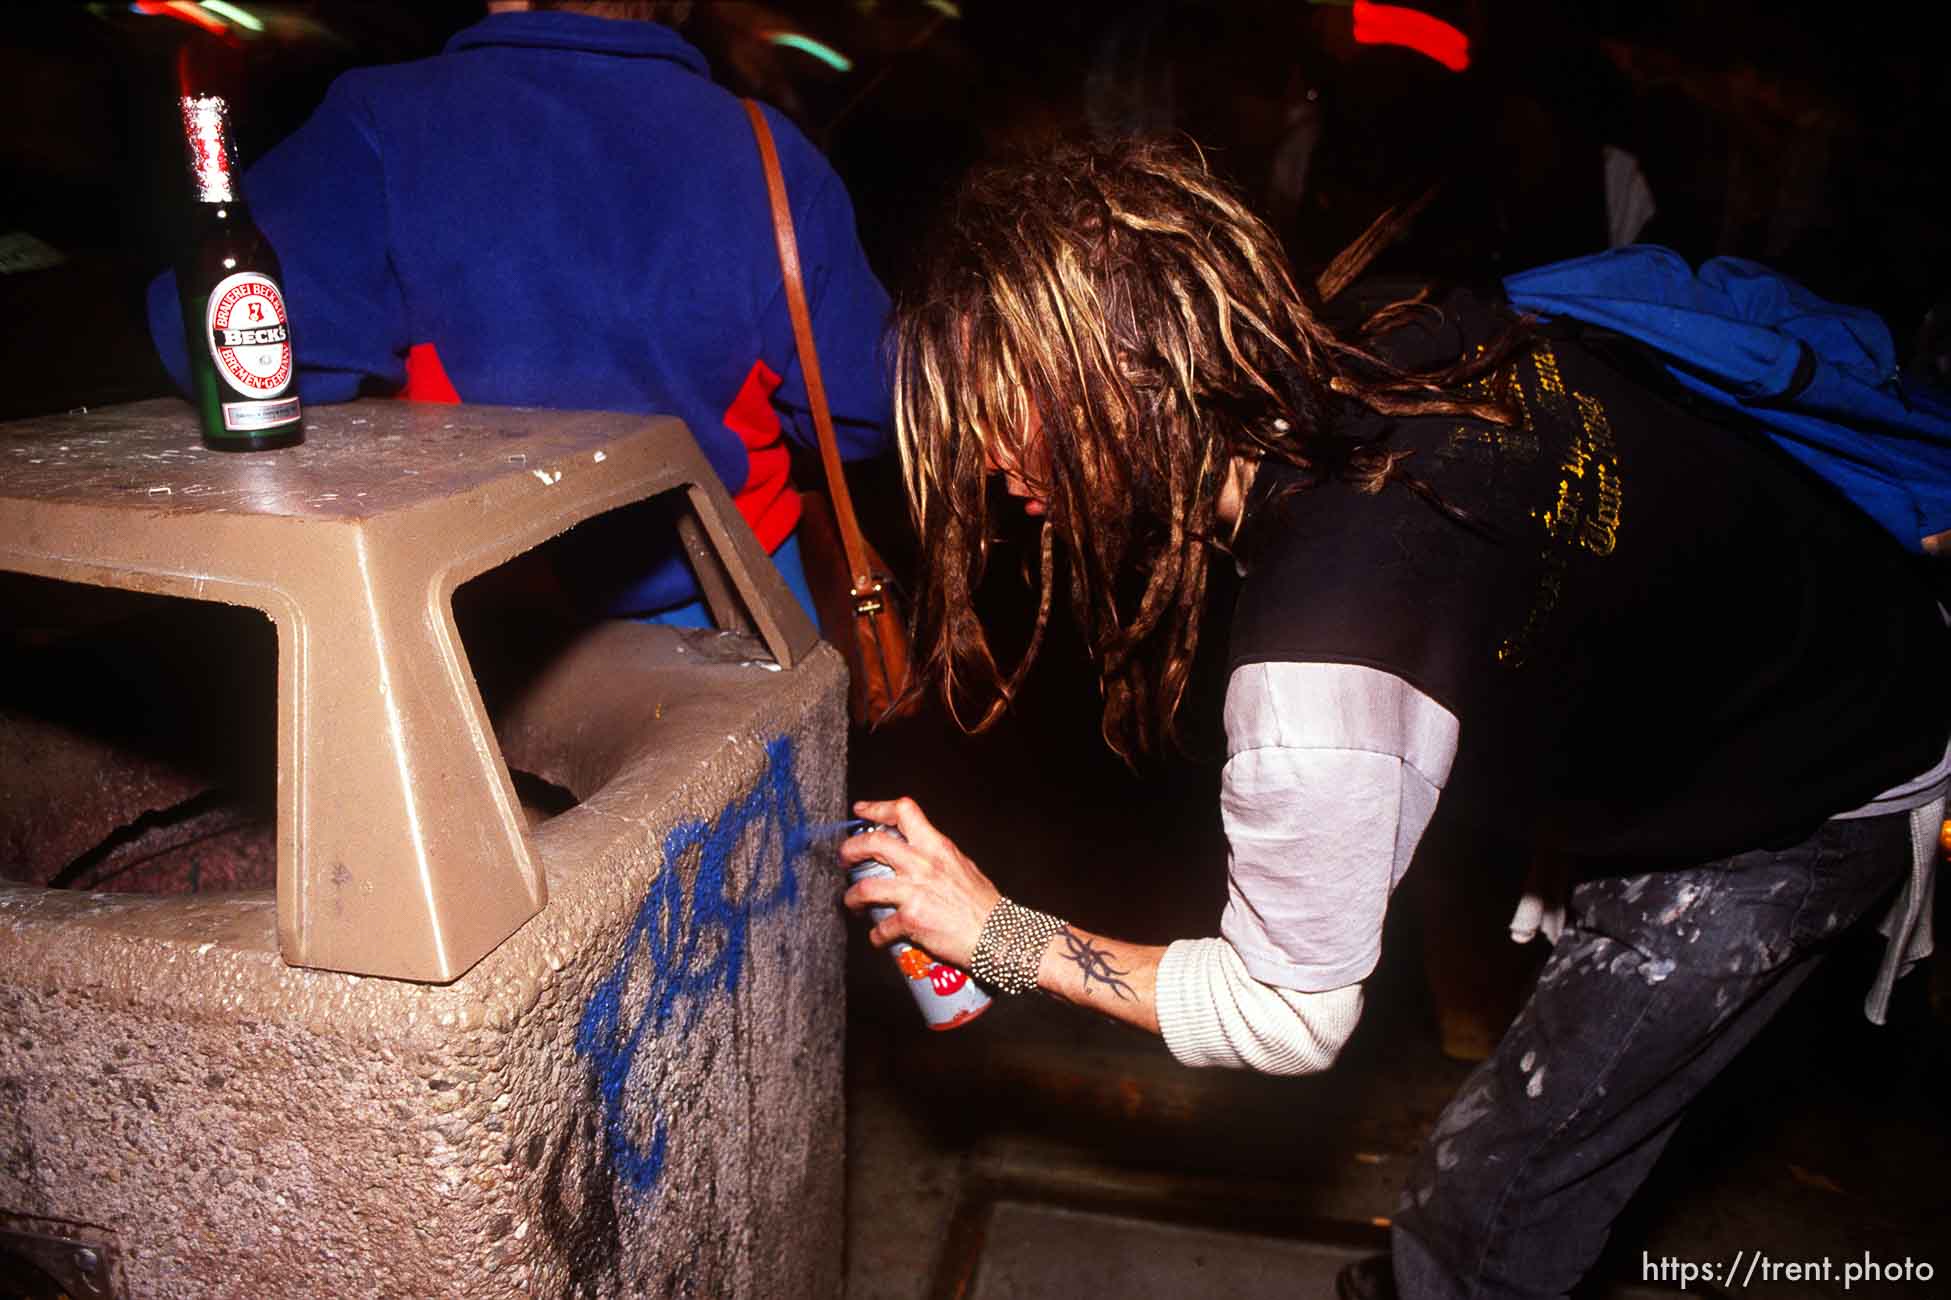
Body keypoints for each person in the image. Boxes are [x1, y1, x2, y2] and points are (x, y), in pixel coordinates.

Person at [836, 137, 1951, 1299]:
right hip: (1790, 652)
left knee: (1496, 1197)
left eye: (1010, 411)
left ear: (1133, 375)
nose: (992, 463)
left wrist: (997, 934)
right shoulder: (1369, 338)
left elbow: (1285, 1015)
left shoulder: (1329, 647)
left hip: (1815, 782)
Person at [147, 0, 894, 624]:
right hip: (744, 599)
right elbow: (865, 408)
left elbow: (216, 340)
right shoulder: (768, 149)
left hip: (485, 624)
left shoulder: (384, 118)